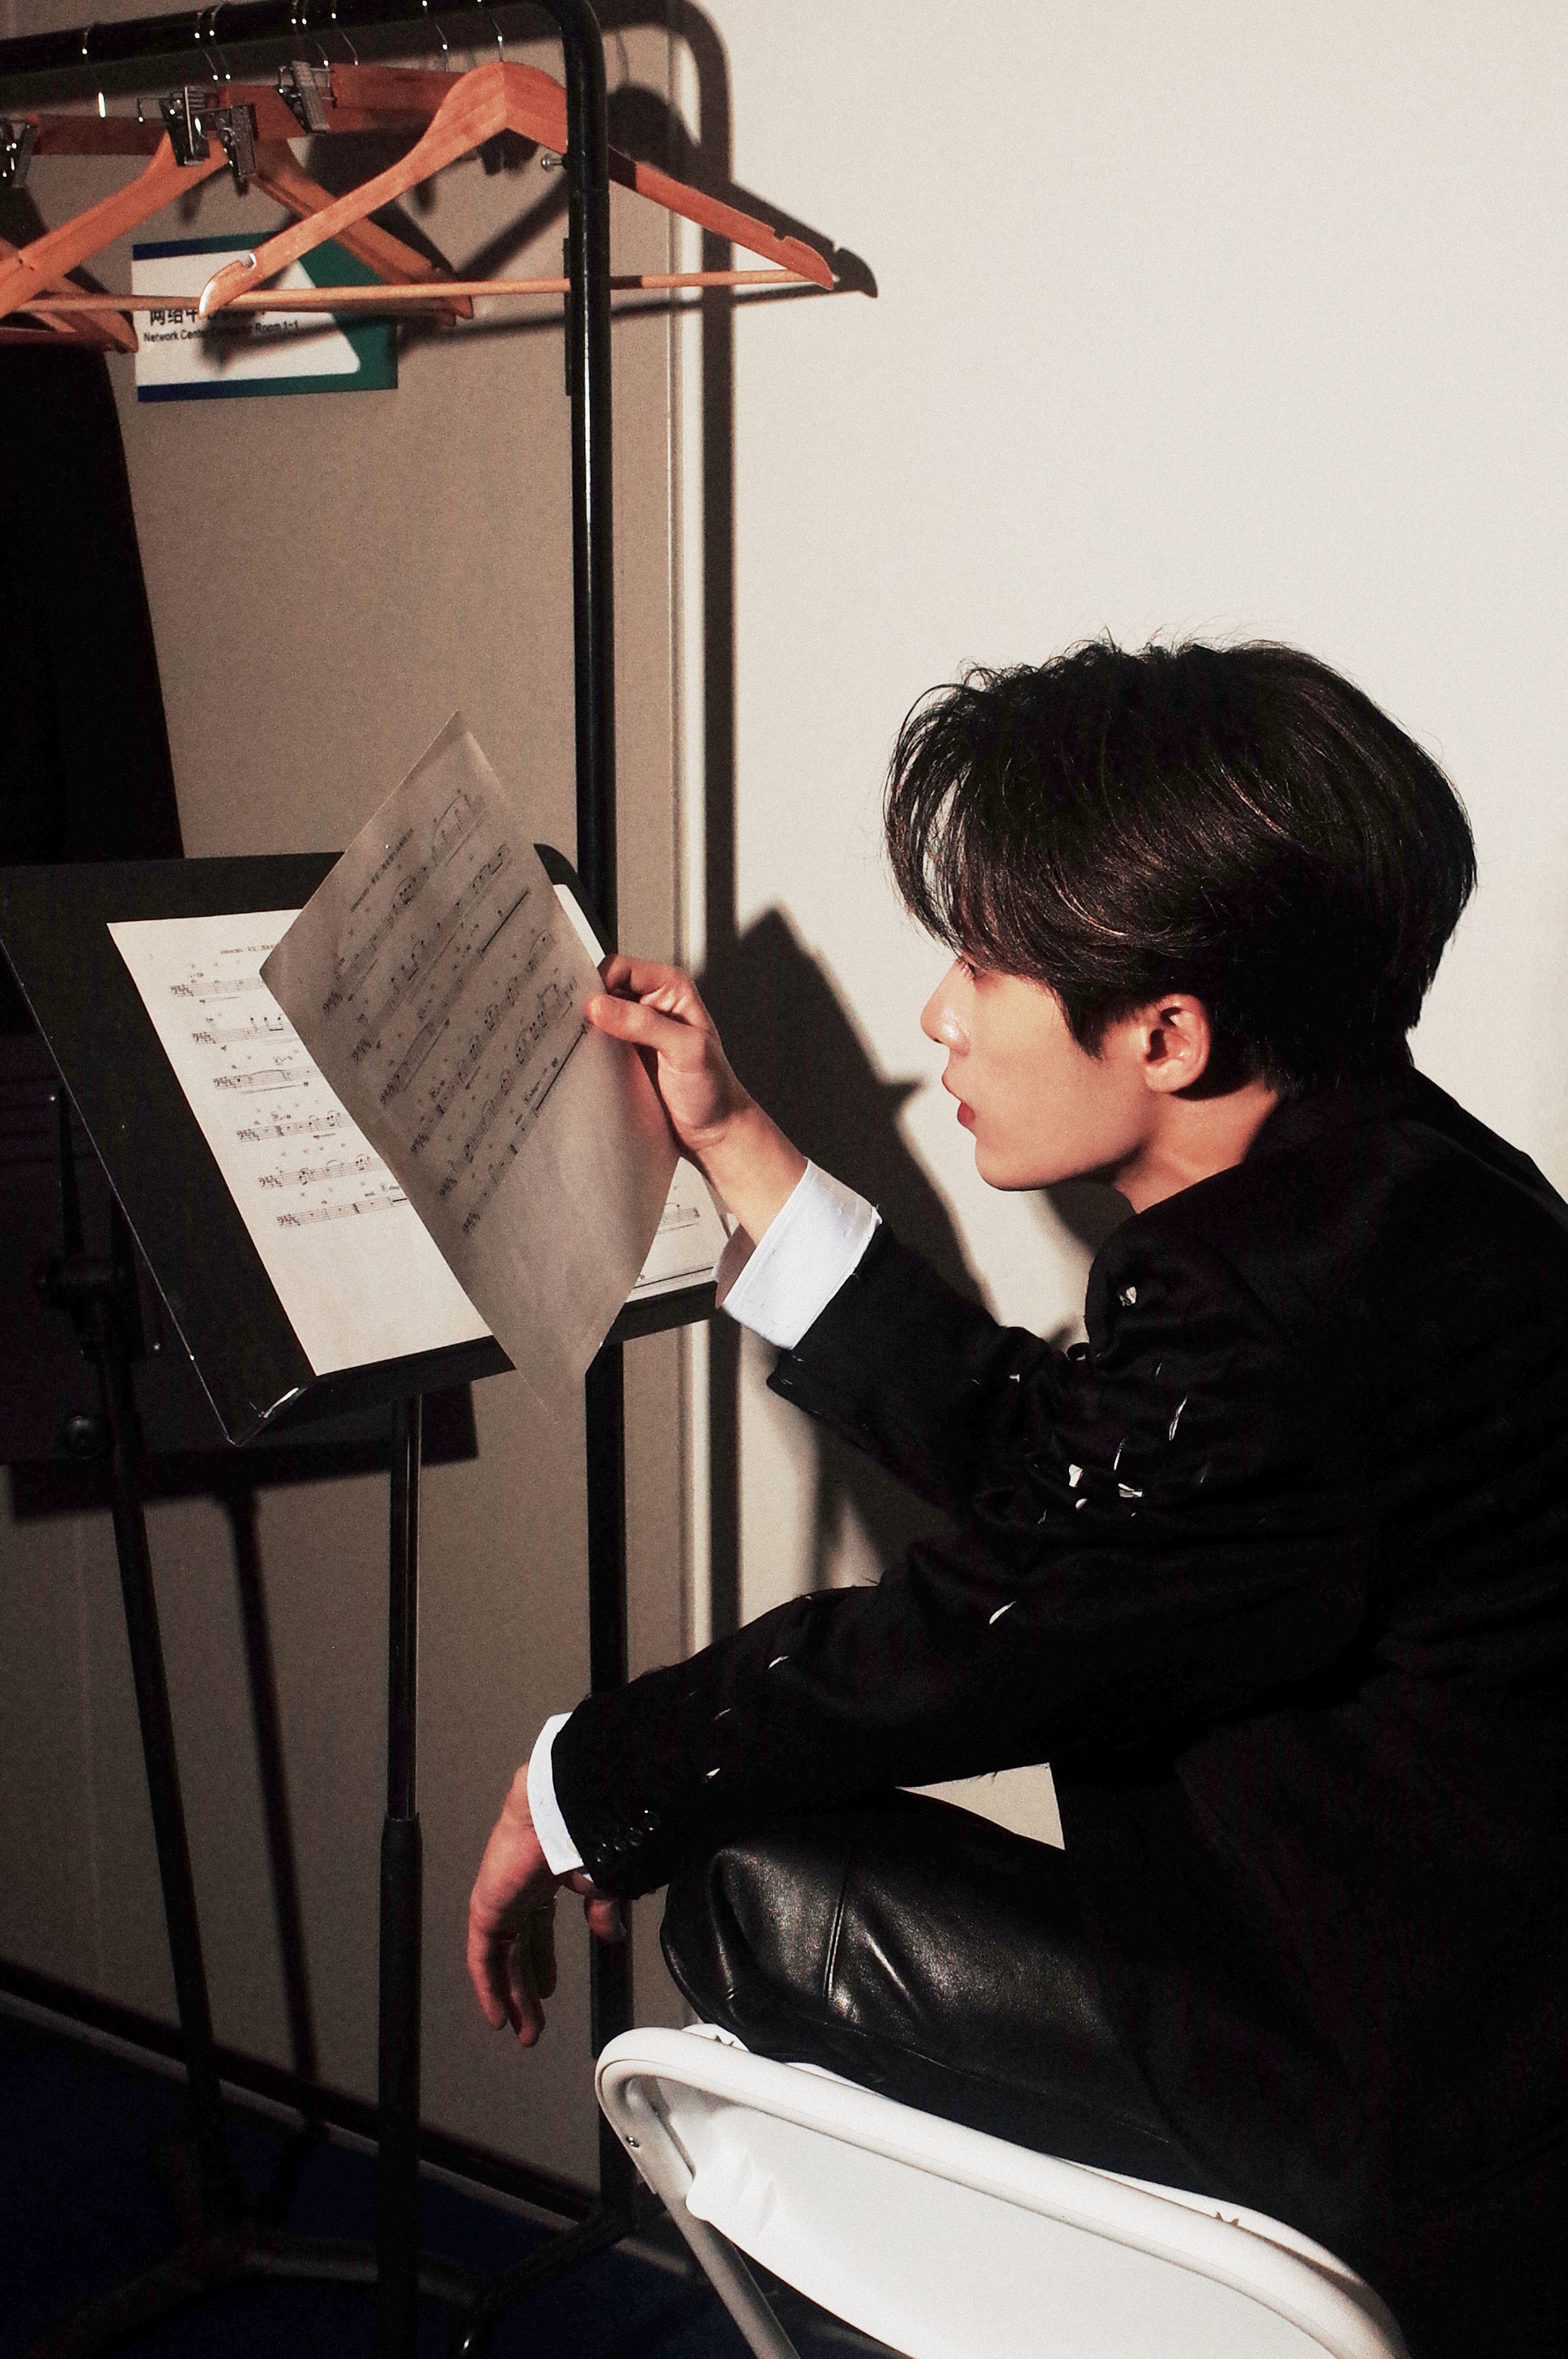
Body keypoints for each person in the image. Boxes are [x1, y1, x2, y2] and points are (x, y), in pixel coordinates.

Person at [467, 640, 1566, 2358]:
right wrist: (737, 1139)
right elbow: (1094, 1493)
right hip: (1480, 2024)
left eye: (983, 961)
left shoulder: (1246, 1310)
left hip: (1385, 2109)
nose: (940, 1014)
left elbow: (964, 1640)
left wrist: (581, 1781)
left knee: (749, 1883)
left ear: (1166, 1031)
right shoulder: (1419, 1180)